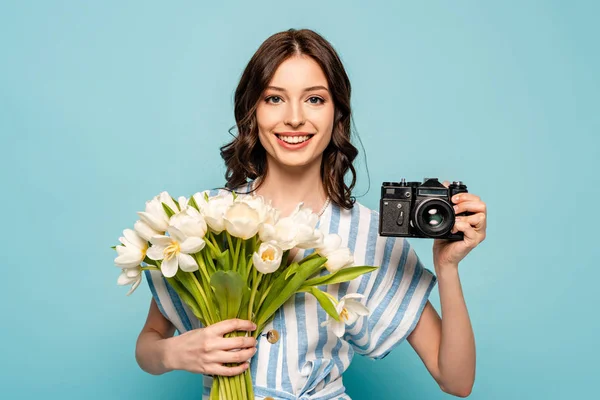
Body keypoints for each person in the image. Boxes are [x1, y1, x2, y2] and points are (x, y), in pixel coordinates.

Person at [135, 28, 487, 399]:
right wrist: (174, 353)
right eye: (274, 98)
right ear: (252, 110)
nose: (294, 118)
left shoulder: (369, 235)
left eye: (315, 99)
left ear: (337, 112)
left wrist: (448, 267)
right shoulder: (205, 218)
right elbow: (148, 345)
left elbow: (456, 380)